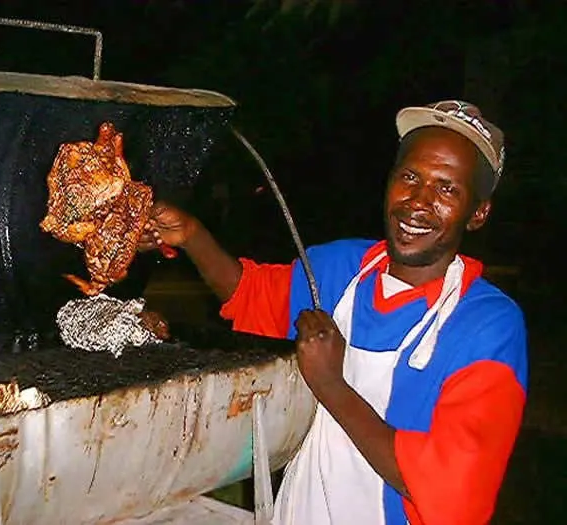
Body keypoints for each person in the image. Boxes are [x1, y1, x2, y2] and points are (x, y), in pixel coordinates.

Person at [138, 100, 527, 525]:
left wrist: (330, 384)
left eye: (447, 188)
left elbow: (450, 490)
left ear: (478, 213)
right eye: (410, 177)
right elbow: (250, 294)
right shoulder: (338, 269)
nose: (418, 201)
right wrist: (192, 234)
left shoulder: (487, 325)